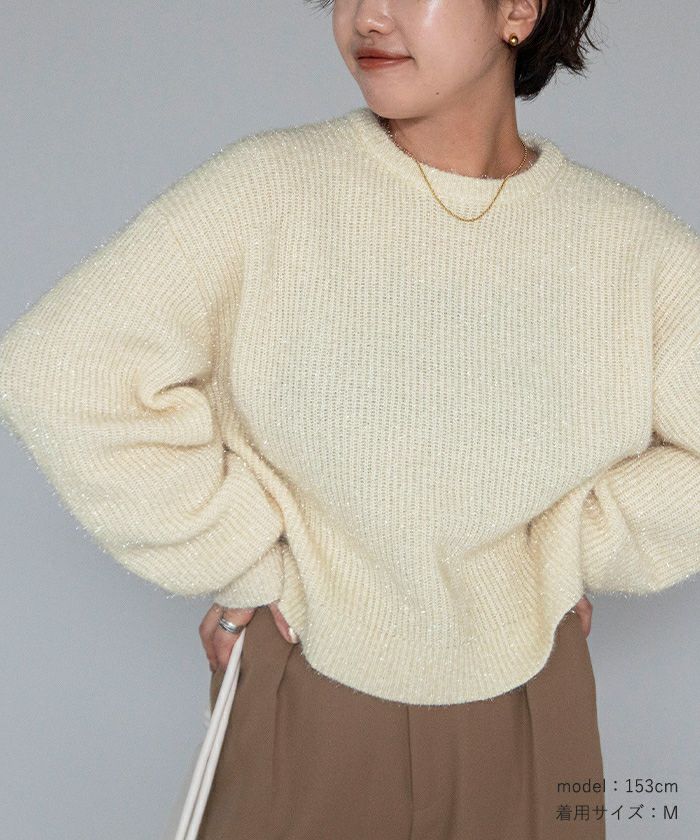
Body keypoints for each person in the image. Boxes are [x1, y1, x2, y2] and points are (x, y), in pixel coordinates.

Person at [0, 0, 697, 838]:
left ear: (517, 9)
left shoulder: (633, 250)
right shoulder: (269, 192)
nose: (369, 15)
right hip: (308, 681)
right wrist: (241, 556)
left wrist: (572, 549)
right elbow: (62, 369)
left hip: (532, 698)